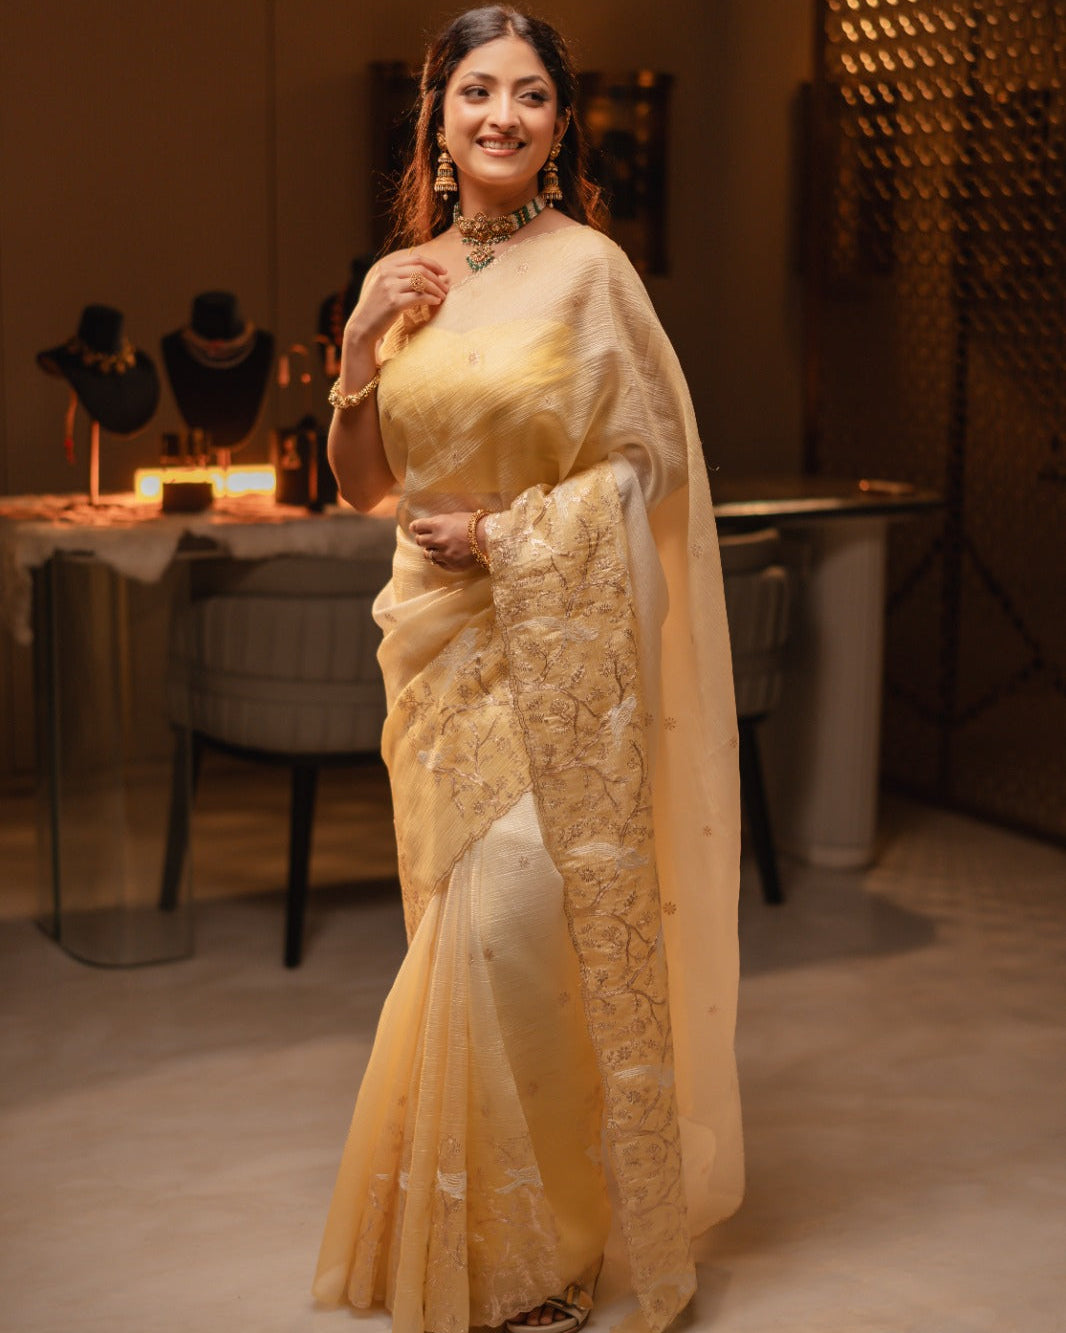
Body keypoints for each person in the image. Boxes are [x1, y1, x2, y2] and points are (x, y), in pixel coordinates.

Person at [312, 9, 744, 1333]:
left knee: (516, 925)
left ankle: (552, 1246)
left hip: (558, 642)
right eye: (479, 91)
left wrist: (508, 534)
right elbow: (366, 485)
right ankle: (468, 1244)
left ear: (560, 125)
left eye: (534, 95)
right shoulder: (406, 279)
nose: (504, 115)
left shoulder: (591, 272)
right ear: (436, 115)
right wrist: (351, 347)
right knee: (458, 931)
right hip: (434, 648)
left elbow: (646, 469)